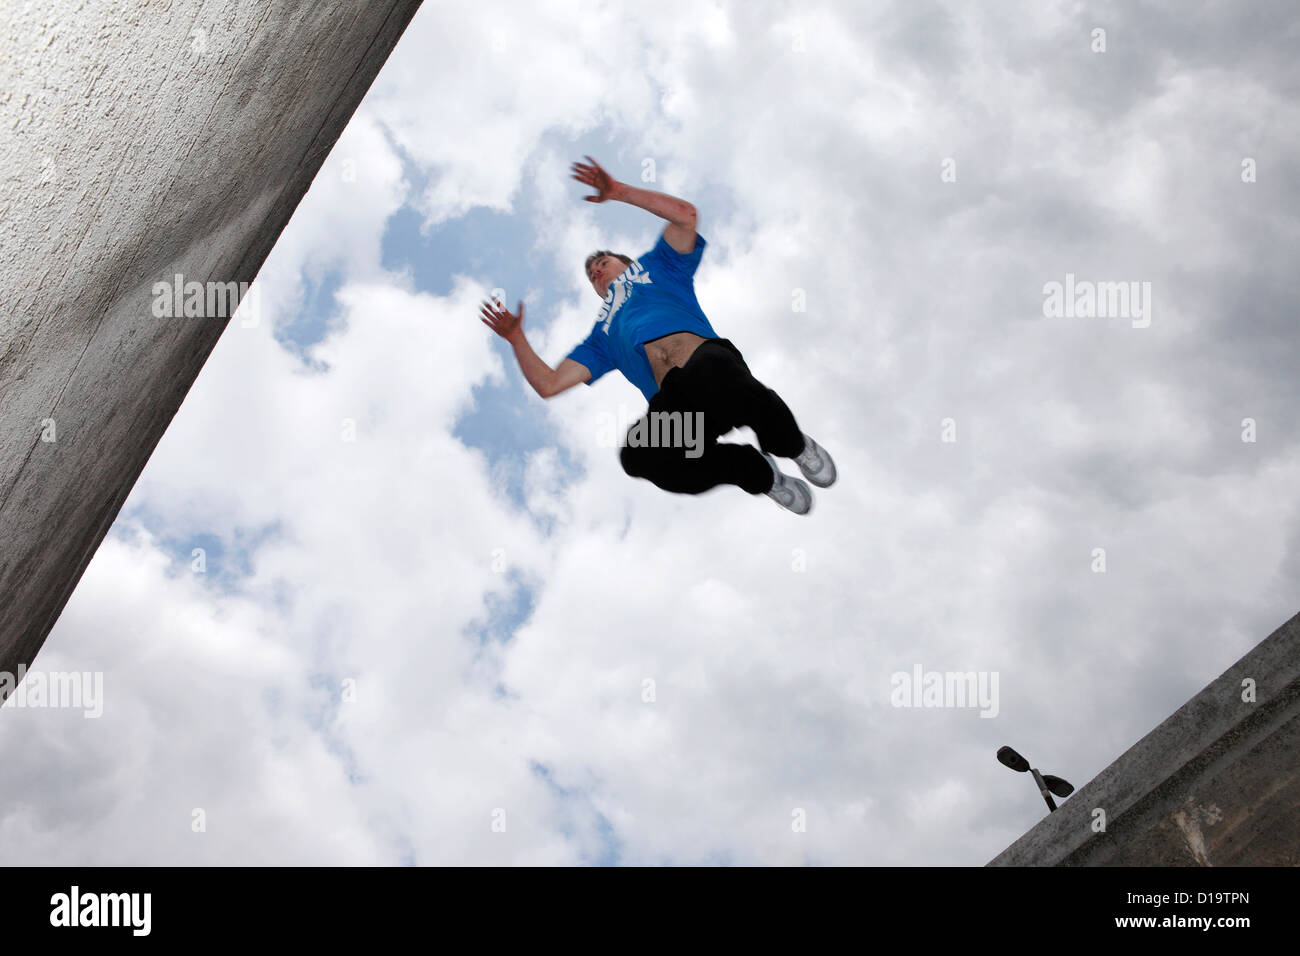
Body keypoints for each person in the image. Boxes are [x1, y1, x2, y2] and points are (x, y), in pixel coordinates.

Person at [479, 156, 835, 514]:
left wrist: (618, 191)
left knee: (726, 380)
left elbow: (685, 215)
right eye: (591, 273)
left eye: (603, 261)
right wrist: (516, 338)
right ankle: (762, 475)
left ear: (626, 262)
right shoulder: (602, 335)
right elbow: (549, 384)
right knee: (639, 456)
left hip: (709, 364)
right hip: (680, 406)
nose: (596, 269)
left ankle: (794, 446)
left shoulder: (657, 268)